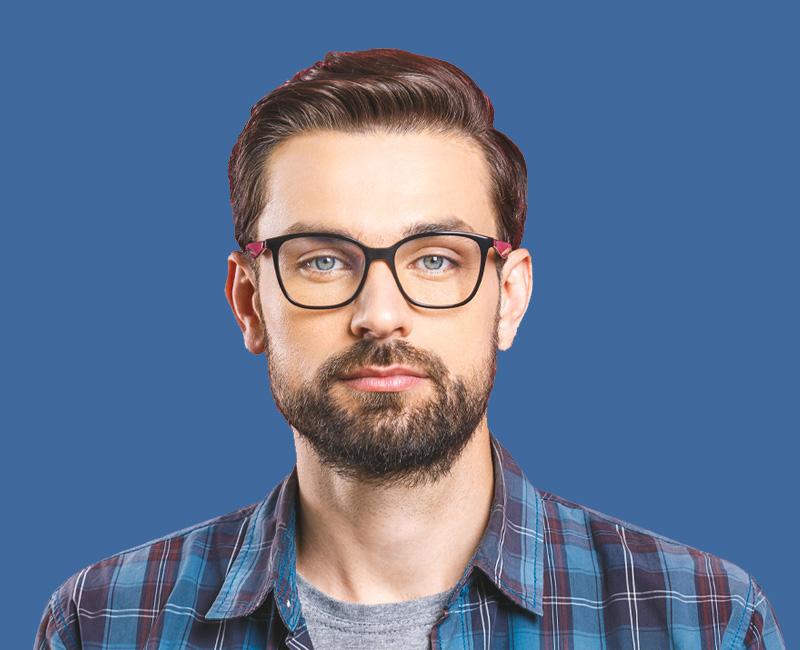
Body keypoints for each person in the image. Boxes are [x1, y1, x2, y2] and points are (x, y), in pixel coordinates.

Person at [35, 49, 783, 650]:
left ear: (509, 297)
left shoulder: (705, 622)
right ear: (248, 302)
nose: (380, 314)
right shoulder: (102, 623)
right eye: (323, 259)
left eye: (435, 258)